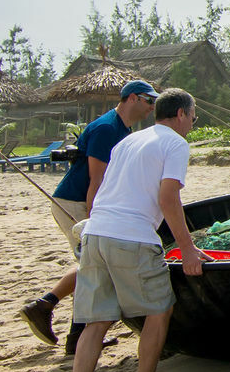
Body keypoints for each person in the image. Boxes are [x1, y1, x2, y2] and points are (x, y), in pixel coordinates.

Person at [67, 89, 205, 372]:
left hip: (96, 233)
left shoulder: (129, 141)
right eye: (193, 118)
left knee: (96, 321)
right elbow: (168, 198)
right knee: (160, 309)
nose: (192, 124)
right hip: (132, 236)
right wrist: (187, 250)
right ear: (182, 114)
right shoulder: (175, 143)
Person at [19, 80, 158, 349]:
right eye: (148, 101)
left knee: (92, 266)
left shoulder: (121, 127)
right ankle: (47, 307)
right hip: (76, 202)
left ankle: (69, 328)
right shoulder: (107, 128)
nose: (152, 107)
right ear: (132, 99)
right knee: (92, 266)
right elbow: (98, 179)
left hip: (83, 200)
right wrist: (95, 218)